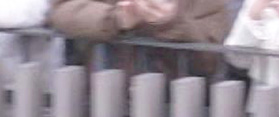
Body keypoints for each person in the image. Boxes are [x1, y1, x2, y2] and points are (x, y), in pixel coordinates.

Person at [49, 0, 234, 80]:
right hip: (105, 97)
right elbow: (63, 10)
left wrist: (169, 23)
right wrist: (117, 18)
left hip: (178, 108)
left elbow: (211, 57)